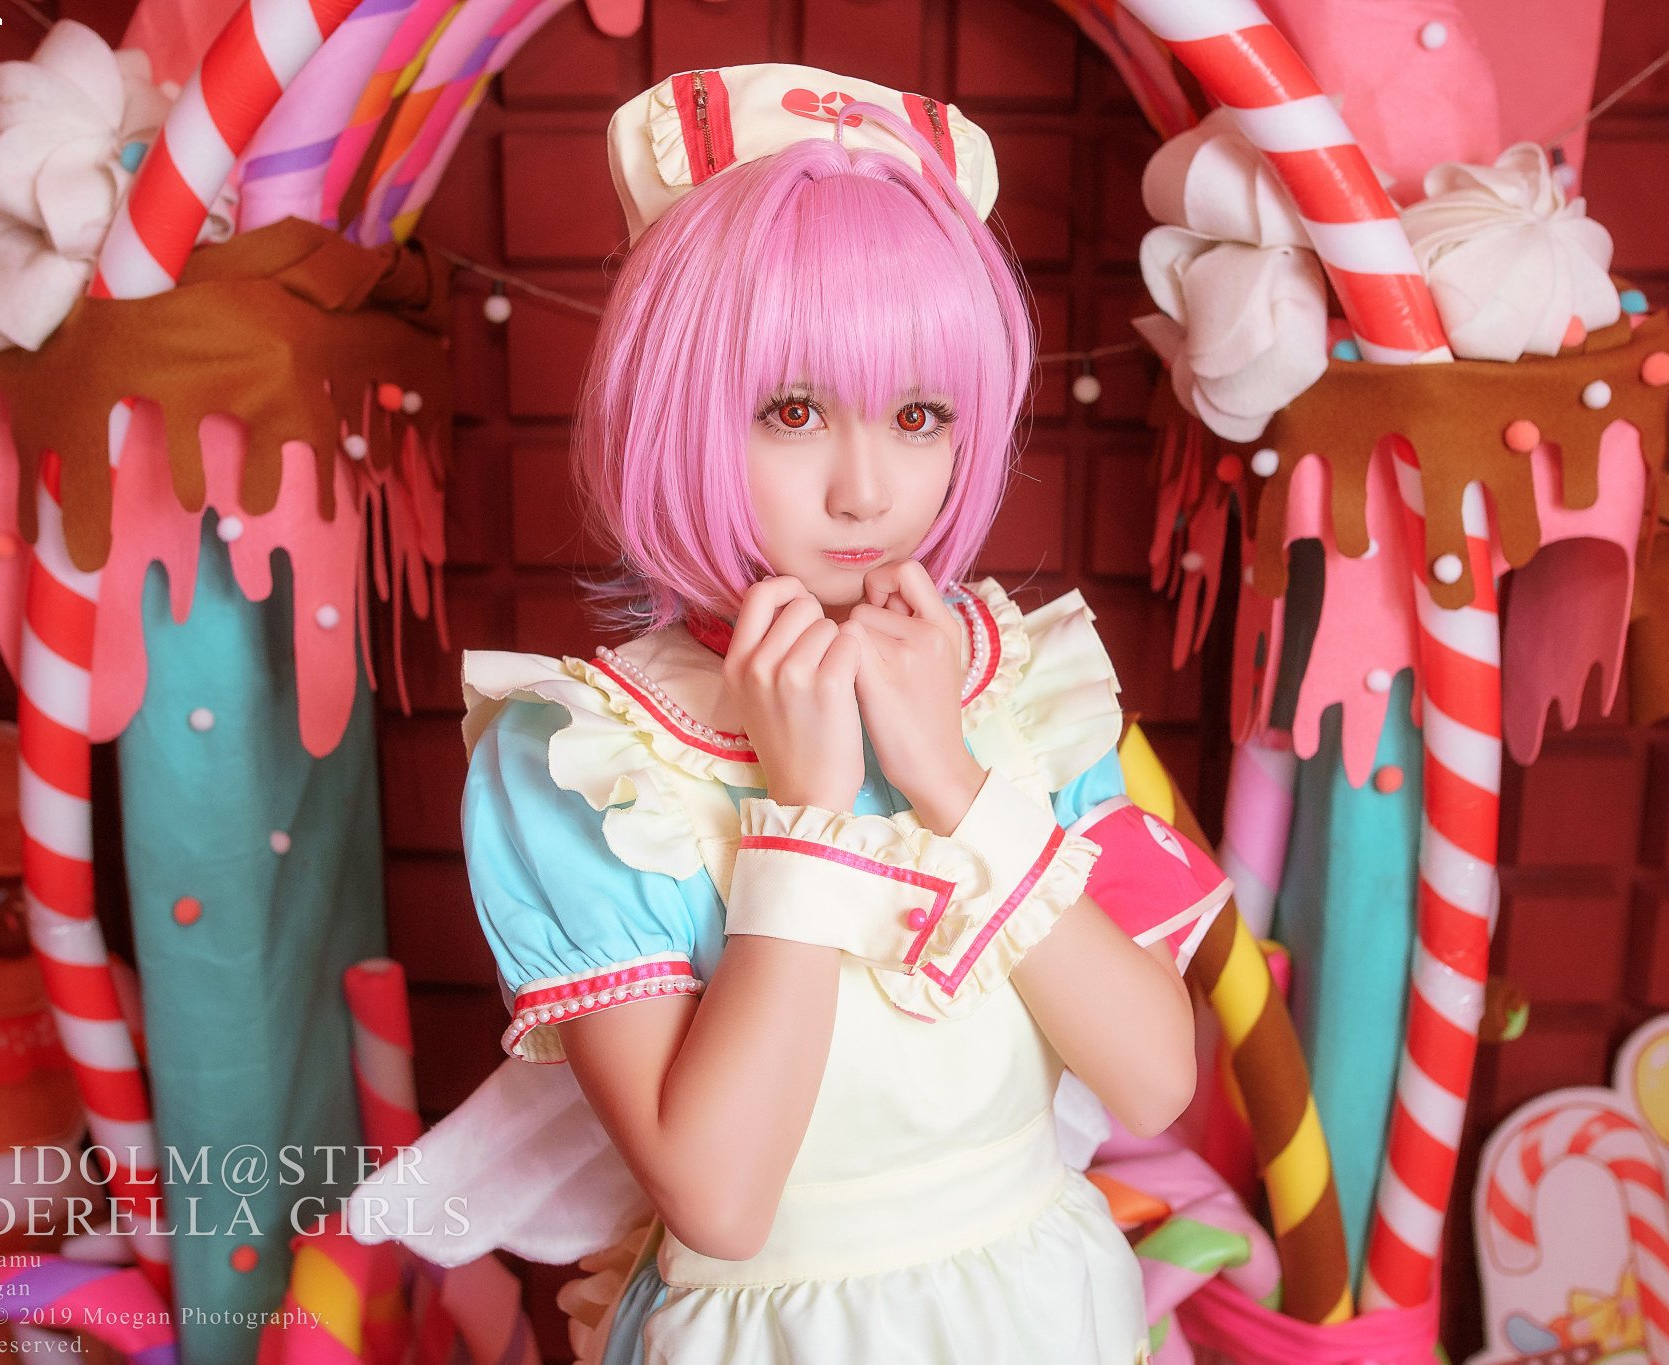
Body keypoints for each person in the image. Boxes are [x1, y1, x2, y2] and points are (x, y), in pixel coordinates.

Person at [351, 63, 1230, 1365]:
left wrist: (955, 781)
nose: (867, 488)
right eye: (794, 410)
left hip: (1051, 1309)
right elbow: (720, 1198)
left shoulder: (1018, 680)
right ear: (675, 402)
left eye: (920, 414)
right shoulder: (585, 757)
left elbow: (1157, 1079)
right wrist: (806, 818)